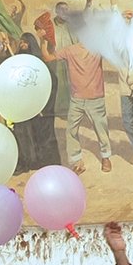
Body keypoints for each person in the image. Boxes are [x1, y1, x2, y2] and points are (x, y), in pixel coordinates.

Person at [42, 34, 114, 174]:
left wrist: (43, 41)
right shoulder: (74, 50)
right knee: (76, 130)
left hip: (94, 99)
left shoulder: (93, 49)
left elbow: (47, 57)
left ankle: (103, 158)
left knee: (97, 129)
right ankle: (80, 161)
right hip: (78, 99)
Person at [13, 31, 61, 171]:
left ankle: (45, 163)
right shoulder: (17, 63)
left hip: (41, 109)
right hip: (23, 107)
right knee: (23, 134)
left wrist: (44, 105)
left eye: (26, 42)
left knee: (44, 135)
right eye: (21, 42)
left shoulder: (40, 65)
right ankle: (26, 162)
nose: (23, 45)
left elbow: (51, 82)